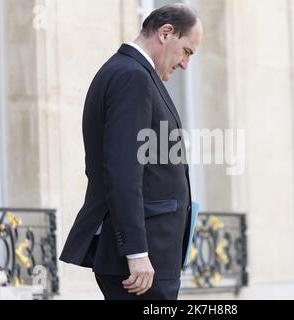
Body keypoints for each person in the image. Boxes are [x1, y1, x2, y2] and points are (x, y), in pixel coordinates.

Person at [59, 4, 203, 300]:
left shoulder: (128, 72)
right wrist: (137, 251)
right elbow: (122, 171)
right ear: (166, 33)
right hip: (141, 263)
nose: (185, 64)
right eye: (187, 51)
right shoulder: (132, 77)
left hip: (148, 258)